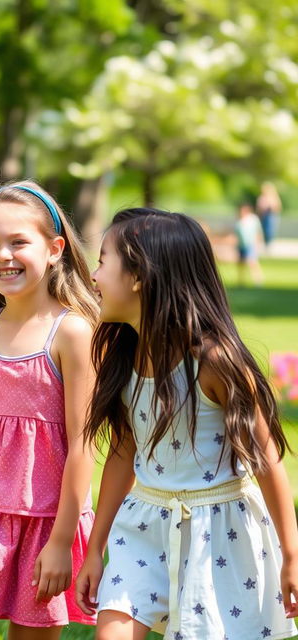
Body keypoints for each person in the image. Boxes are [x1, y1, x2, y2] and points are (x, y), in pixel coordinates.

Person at [76, 208, 298, 640]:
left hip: (217, 531)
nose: (94, 276)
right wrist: (95, 549)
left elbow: (266, 459)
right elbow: (124, 451)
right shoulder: (122, 356)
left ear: (139, 276)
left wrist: (291, 554)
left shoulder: (214, 363)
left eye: (103, 261)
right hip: (142, 523)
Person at [0, 180, 100, 640]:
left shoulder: (72, 332)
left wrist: (63, 541)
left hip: (47, 525)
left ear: (54, 249)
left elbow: (83, 443)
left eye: (17, 243)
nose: (2, 255)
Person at [235, 201, 264, 286]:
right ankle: (241, 281)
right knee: (241, 263)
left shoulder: (253, 219)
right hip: (241, 245)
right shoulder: (239, 221)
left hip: (250, 244)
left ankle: (258, 281)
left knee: (252, 262)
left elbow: (258, 231)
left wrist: (258, 243)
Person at [256, 181, 282, 248]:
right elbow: (258, 207)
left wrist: (271, 206)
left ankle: (268, 244)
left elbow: (277, 208)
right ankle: (265, 243)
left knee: (269, 230)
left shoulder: (274, 197)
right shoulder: (261, 197)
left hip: (271, 216)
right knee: (263, 230)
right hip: (263, 215)